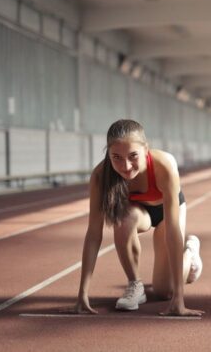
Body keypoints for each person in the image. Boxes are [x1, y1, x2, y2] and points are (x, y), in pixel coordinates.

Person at [74, 119, 203, 316]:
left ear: (146, 149)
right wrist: (82, 294)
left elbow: (172, 230)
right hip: (138, 212)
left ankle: (191, 254)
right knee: (123, 220)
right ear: (108, 154)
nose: (125, 166)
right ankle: (135, 285)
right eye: (116, 157)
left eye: (133, 156)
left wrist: (179, 298)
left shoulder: (164, 165)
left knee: (163, 291)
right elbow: (93, 233)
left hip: (168, 214)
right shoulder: (101, 175)